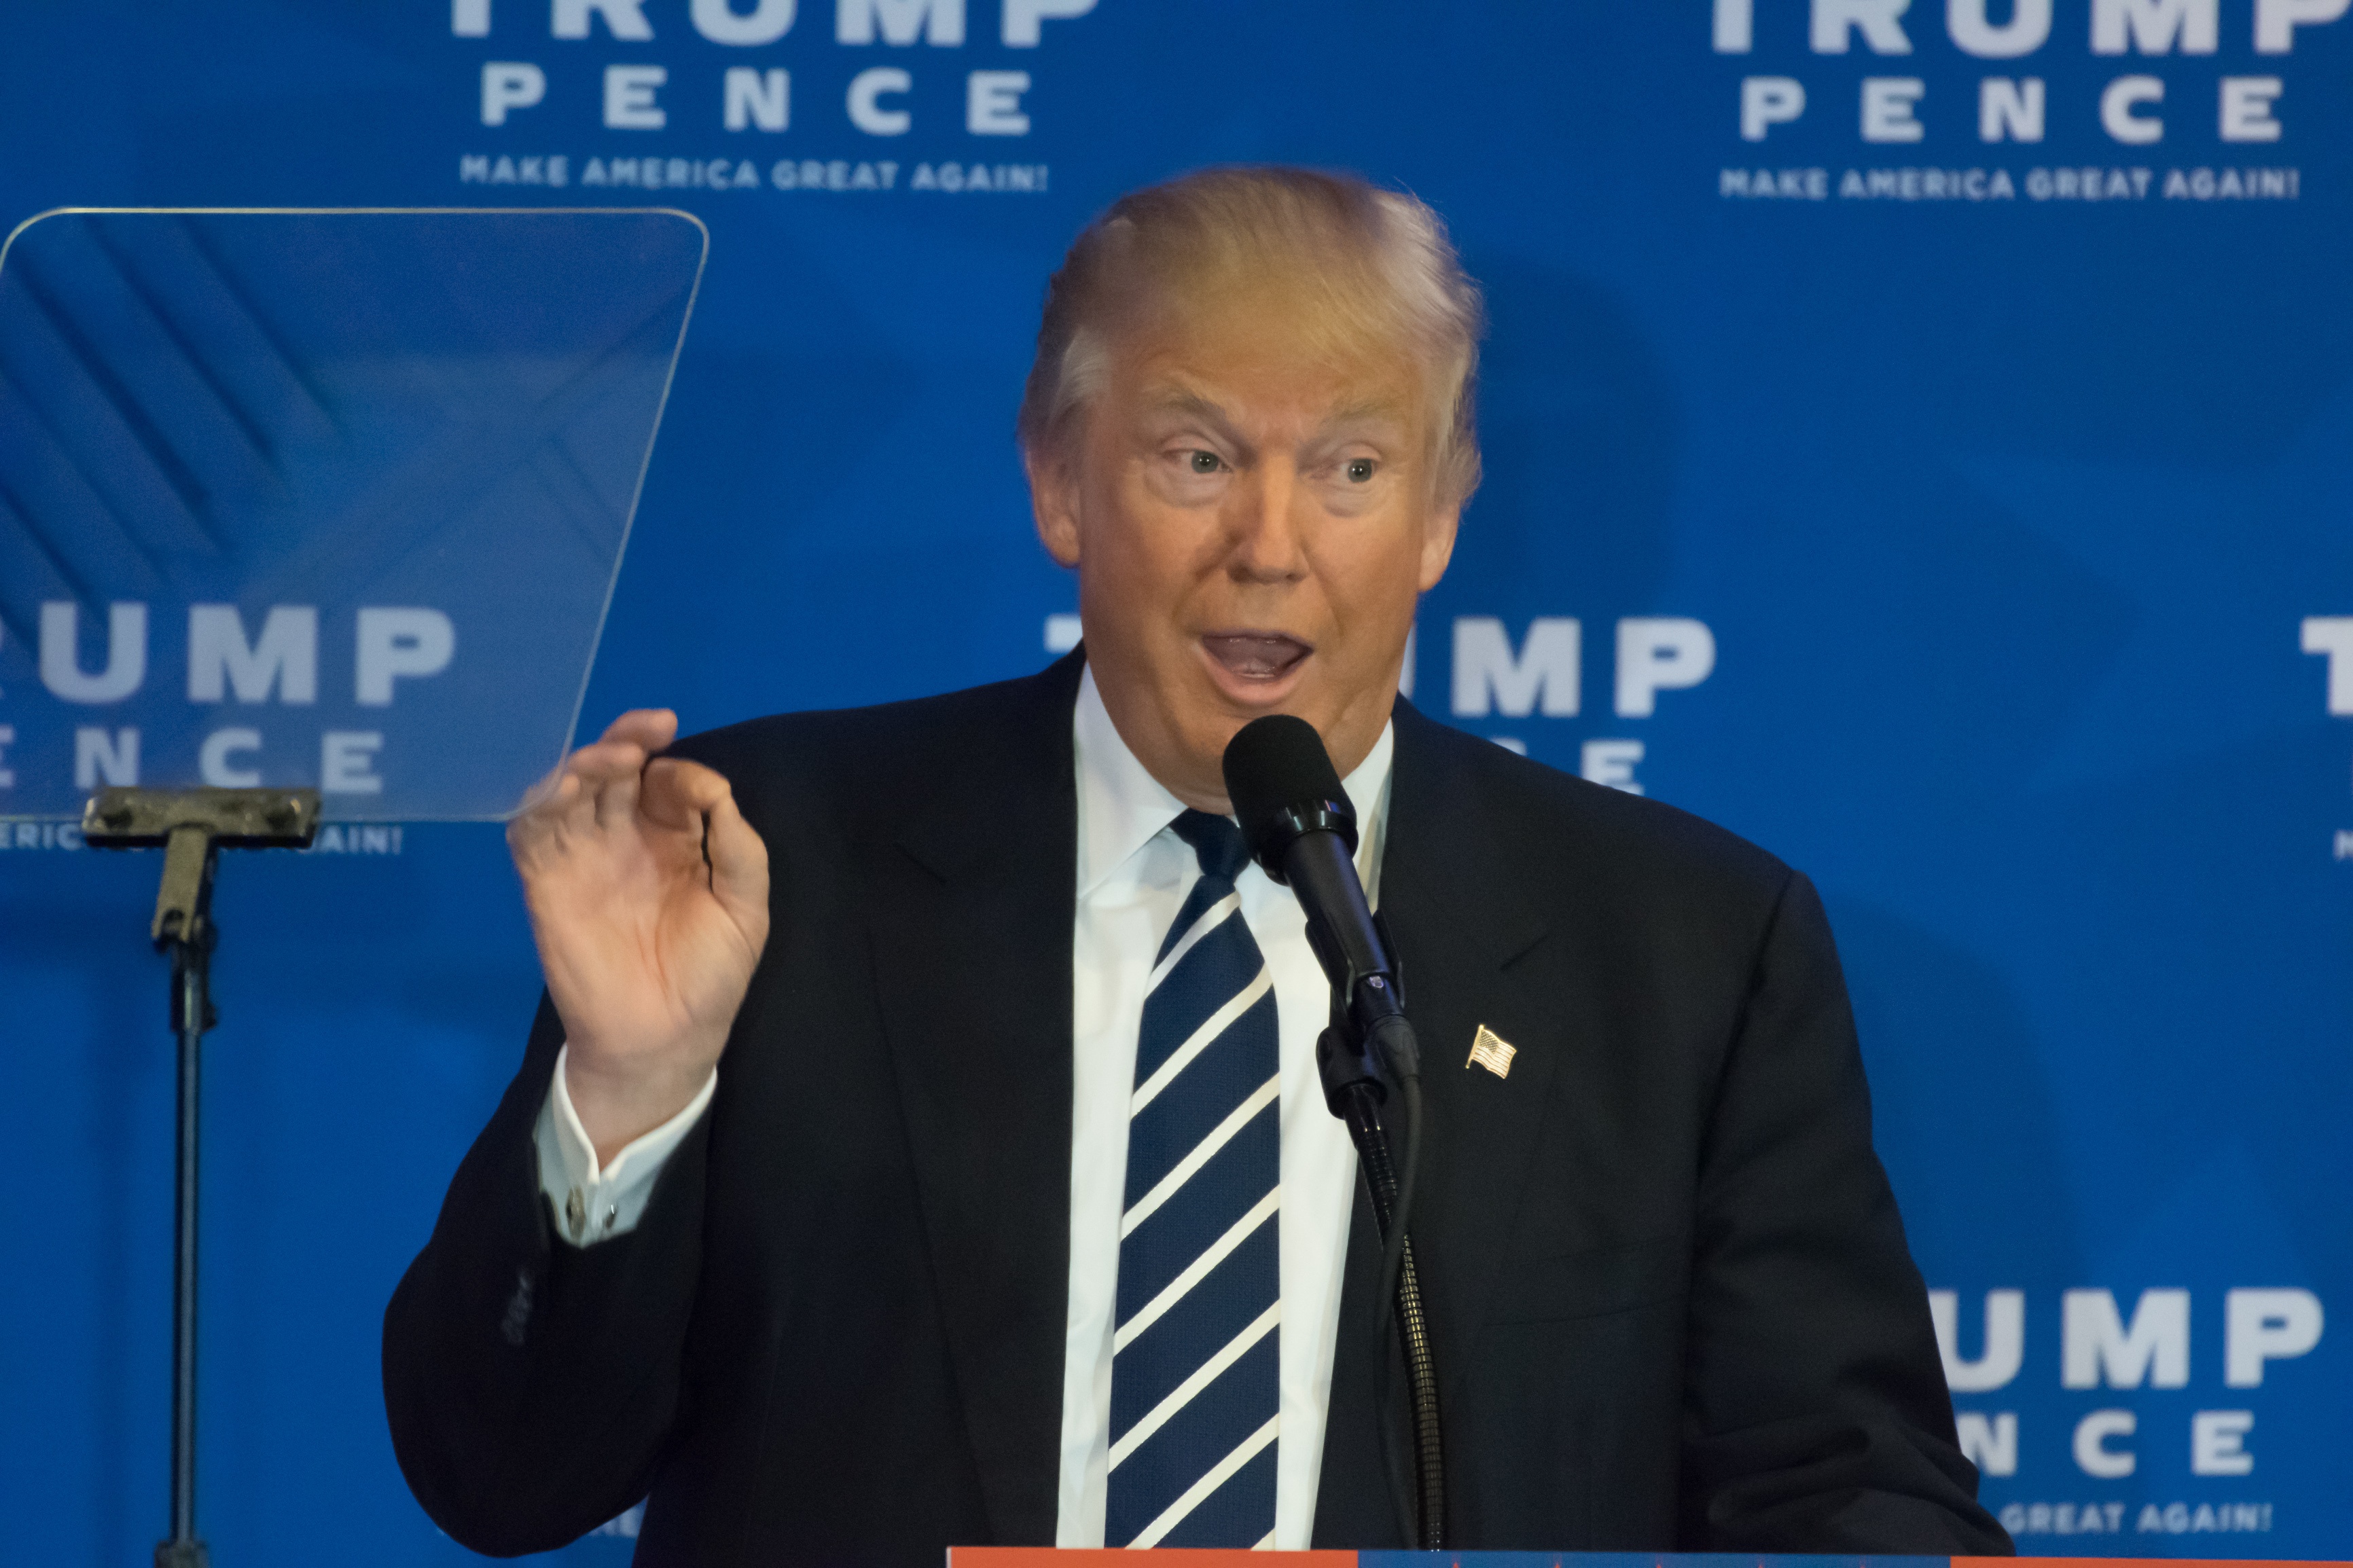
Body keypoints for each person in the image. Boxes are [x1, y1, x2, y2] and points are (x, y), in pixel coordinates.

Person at [383, 166, 2010, 1565]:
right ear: (1056, 482)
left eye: (1354, 470)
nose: (1273, 544)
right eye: (1197, 457)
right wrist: (630, 1093)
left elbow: (1849, 1501)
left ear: (1441, 515)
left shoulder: (1684, 952)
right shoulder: (768, 863)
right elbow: (502, 1482)